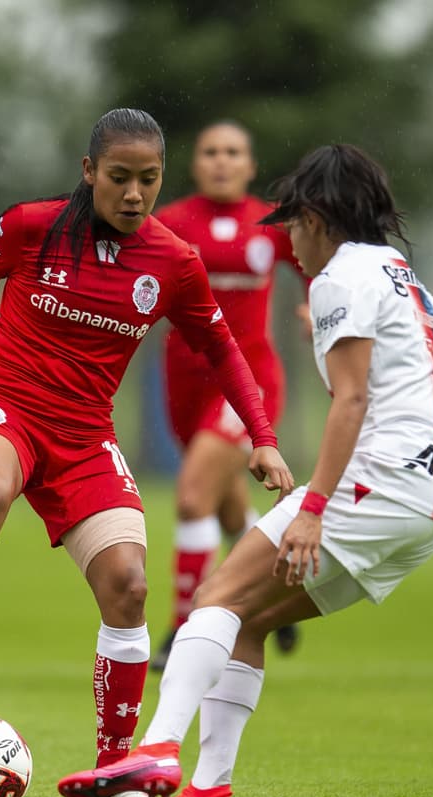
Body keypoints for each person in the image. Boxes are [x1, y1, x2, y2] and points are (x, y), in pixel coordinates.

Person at [56, 143, 433, 797]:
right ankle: (209, 794)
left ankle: (154, 749)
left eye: (293, 223)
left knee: (214, 595)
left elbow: (352, 402)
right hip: (432, 507)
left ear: (319, 219)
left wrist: (314, 510)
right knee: (248, 618)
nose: (289, 240)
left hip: (374, 486)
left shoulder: (338, 279)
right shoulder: (404, 278)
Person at [0, 107, 295, 797]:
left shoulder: (172, 261)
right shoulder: (33, 225)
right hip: (1, 400)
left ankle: (115, 765)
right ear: (89, 173)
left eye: (149, 179)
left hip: (84, 433)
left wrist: (262, 434)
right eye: (120, 178)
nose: (135, 194)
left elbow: (222, 349)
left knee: (128, 585)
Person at [151, 120, 306, 668]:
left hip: (249, 382)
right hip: (184, 383)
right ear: (196, 163)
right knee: (227, 506)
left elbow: (317, 264)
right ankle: (279, 599)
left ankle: (182, 626)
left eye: (233, 152)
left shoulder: (271, 225)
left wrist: (318, 304)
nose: (222, 160)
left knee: (193, 495)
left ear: (250, 165)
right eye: (211, 151)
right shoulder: (169, 223)